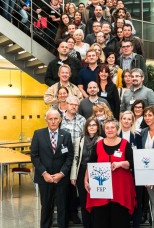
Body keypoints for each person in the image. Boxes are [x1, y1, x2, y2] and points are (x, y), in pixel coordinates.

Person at [85, 119, 137, 228]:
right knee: (101, 219)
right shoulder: (98, 145)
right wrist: (86, 180)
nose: (110, 130)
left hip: (120, 189)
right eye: (107, 128)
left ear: (117, 129)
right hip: (101, 189)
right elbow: (91, 164)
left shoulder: (124, 144)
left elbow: (133, 163)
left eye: (112, 127)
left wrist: (121, 163)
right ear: (104, 130)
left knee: (119, 219)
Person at [31, 109, 74, 228]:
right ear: (46, 120)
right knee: (46, 206)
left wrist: (61, 173)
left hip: (61, 178)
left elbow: (70, 157)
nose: (53, 121)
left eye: (56, 119)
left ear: (60, 120)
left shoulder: (66, 135)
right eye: (50, 119)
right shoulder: (38, 134)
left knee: (62, 207)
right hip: (44, 178)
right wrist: (44, 173)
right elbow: (34, 155)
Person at [70, 117, 103, 228]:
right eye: (89, 125)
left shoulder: (102, 140)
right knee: (84, 201)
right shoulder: (80, 140)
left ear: (98, 127)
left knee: (96, 201)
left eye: (94, 125)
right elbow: (75, 158)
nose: (92, 127)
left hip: (97, 172)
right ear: (86, 127)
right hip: (82, 171)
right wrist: (73, 176)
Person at [61, 95, 86, 225]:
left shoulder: (82, 119)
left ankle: (74, 213)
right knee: (65, 187)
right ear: (66, 104)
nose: (74, 107)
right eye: (71, 104)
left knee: (76, 186)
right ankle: (66, 214)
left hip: (77, 156)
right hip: (63, 157)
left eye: (76, 105)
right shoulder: (60, 120)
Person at [119, 111, 143, 228]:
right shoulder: (115, 134)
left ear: (132, 121)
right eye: (124, 118)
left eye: (129, 119)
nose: (126, 121)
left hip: (136, 174)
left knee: (137, 199)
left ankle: (136, 224)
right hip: (120, 174)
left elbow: (141, 155)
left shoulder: (137, 136)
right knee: (122, 199)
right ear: (121, 120)